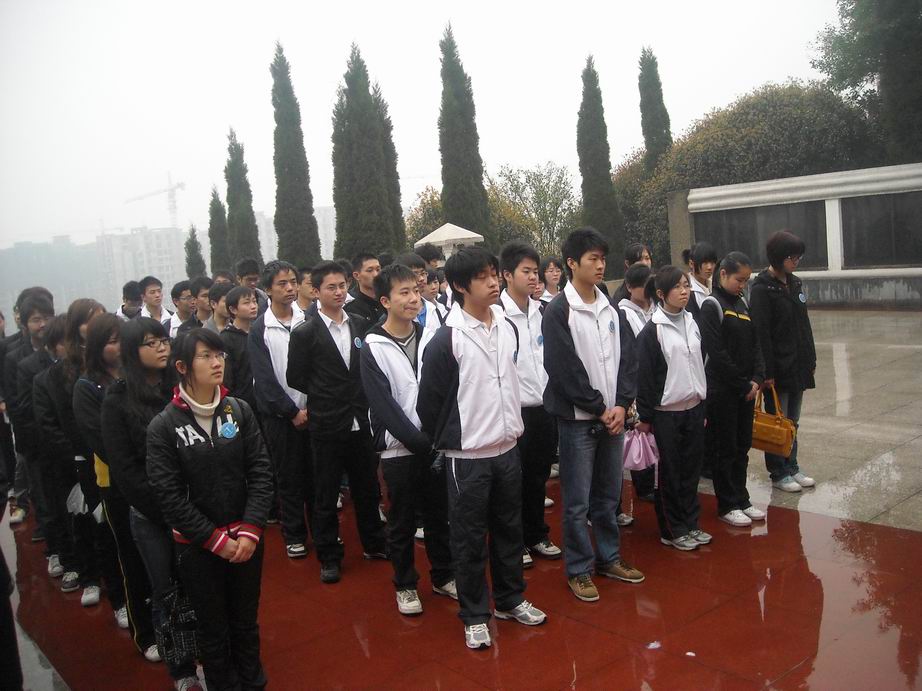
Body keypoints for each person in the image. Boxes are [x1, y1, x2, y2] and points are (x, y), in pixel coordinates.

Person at [417, 246, 547, 650]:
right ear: (459, 285)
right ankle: (474, 614)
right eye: (483, 277)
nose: (493, 282)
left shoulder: (506, 327)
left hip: (507, 449)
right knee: (469, 539)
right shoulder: (446, 339)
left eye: (494, 274)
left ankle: (510, 599)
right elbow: (429, 405)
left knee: (509, 530)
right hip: (468, 458)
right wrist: (457, 437)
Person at [147, 328, 273, 691]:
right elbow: (169, 496)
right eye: (206, 356)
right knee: (213, 629)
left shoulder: (239, 410)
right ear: (183, 366)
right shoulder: (164, 426)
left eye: (220, 355)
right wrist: (215, 541)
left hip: (246, 540)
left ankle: (254, 683)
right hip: (198, 547)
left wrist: (250, 530)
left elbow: (261, 471)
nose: (217, 363)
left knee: (245, 623)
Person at [542, 228, 644, 603]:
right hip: (578, 421)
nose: (600, 266)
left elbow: (628, 359)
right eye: (592, 259)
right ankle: (579, 569)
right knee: (577, 502)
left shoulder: (610, 307)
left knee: (608, 496)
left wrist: (621, 403)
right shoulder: (559, 311)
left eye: (603, 259)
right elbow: (563, 370)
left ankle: (609, 558)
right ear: (572, 263)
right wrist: (600, 408)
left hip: (613, 417)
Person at [102, 318, 202, 690]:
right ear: (133, 350)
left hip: (193, 506)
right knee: (168, 591)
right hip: (153, 513)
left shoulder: (181, 388)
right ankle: (182, 668)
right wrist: (169, 509)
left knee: (200, 585)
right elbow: (125, 469)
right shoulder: (117, 400)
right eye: (151, 343)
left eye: (163, 341)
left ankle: (209, 652)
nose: (162, 348)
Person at [360, 264, 455, 616]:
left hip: (434, 444)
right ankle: (405, 584)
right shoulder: (372, 346)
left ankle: (444, 575)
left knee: (438, 516)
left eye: (416, 290)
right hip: (399, 449)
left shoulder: (432, 336)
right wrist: (420, 442)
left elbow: (445, 390)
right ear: (385, 301)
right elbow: (383, 406)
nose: (414, 298)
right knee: (401, 520)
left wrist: (436, 437)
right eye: (404, 292)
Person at [287, 261, 387, 584]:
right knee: (326, 493)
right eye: (331, 287)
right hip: (327, 423)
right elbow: (296, 376)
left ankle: (374, 542)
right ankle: (329, 556)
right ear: (316, 291)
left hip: (360, 419)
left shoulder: (359, 324)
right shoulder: (305, 332)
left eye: (342, 285)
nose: (339, 292)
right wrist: (326, 393)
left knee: (367, 487)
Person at [73, 316, 158, 651]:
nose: (120, 346)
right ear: (96, 347)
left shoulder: (139, 379)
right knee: (130, 554)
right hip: (116, 482)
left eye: (122, 339)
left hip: (153, 476)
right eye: (111, 341)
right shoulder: (88, 387)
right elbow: (104, 442)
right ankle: (143, 631)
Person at [34, 299, 104, 604]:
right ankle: (87, 575)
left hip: (105, 457)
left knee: (107, 525)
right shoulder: (49, 379)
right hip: (73, 462)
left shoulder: (102, 368)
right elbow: (50, 427)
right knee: (80, 521)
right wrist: (77, 456)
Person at [636, 266, 709, 552]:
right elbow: (645, 376)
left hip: (694, 407)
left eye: (686, 286)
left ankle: (691, 523)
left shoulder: (692, 321)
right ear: (661, 293)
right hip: (666, 412)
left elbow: (700, 363)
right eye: (677, 287)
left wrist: (703, 403)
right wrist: (646, 416)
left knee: (691, 471)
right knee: (670, 473)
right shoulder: (652, 330)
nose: (684, 291)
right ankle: (672, 528)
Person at [499, 241, 562, 565]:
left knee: (538, 476)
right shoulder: (497, 316)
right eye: (526, 271)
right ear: (507, 275)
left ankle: (536, 534)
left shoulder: (543, 312)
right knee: (513, 482)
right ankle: (515, 542)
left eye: (536, 271)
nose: (534, 277)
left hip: (544, 408)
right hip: (514, 410)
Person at [247, 261, 313, 559]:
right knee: (288, 477)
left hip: (312, 413)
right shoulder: (259, 328)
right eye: (282, 284)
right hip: (280, 418)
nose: (290, 288)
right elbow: (264, 380)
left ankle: (322, 530)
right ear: (268, 289)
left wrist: (311, 407)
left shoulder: (308, 319)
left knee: (317, 476)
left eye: (293, 282)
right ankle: (294, 534)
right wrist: (291, 412)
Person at [699, 252, 766, 527]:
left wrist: (757, 377)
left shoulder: (742, 303)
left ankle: (742, 497)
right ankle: (727, 503)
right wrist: (741, 383)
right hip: (723, 391)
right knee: (724, 448)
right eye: (739, 279)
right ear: (723, 274)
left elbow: (755, 343)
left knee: (742, 446)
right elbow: (716, 352)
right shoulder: (711, 305)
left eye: (746, 280)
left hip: (746, 390)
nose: (743, 285)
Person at [749, 230, 817, 493]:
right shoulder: (762, 288)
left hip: (798, 363)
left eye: (798, 257)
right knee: (778, 420)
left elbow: (804, 324)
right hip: (778, 367)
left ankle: (792, 465)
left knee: (792, 421)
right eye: (792, 257)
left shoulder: (795, 283)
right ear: (778, 257)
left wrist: (811, 357)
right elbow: (761, 333)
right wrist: (766, 371)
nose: (796, 262)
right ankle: (778, 472)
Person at [10, 295, 56, 540]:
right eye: (36, 319)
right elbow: (18, 406)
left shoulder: (60, 350)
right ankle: (53, 542)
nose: (43, 324)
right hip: (35, 440)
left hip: (60, 437)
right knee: (43, 492)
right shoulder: (14, 357)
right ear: (25, 323)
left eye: (47, 318)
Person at [616, 262, 656, 507]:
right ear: (630, 287)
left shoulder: (656, 309)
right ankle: (643, 484)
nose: (646, 291)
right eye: (641, 286)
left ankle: (652, 481)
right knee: (638, 433)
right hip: (635, 381)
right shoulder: (623, 313)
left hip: (655, 381)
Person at [221, 286, 258, 413]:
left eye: (254, 301)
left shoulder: (259, 331)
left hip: (262, 401)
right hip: (240, 404)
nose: (253, 306)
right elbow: (227, 378)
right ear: (233, 309)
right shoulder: (226, 338)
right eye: (247, 303)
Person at [682, 242, 718, 320]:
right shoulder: (688, 291)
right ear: (691, 264)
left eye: (712, 263)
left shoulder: (716, 285)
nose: (709, 267)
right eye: (705, 263)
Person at [345, 253, 384, 324]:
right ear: (356, 276)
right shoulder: (351, 309)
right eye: (370, 270)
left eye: (378, 270)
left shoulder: (388, 301)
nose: (376, 274)